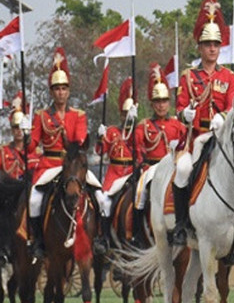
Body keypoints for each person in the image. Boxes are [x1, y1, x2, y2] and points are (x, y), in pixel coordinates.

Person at [169, 0, 234, 248]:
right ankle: (181, 224)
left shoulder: (229, 77)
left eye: (216, 44)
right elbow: (179, 107)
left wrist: (223, 116)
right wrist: (184, 114)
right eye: (207, 44)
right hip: (196, 137)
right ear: (200, 47)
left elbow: (233, 105)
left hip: (220, 137)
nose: (212, 49)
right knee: (185, 169)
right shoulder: (189, 76)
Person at [27, 48, 90, 258]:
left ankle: (100, 236)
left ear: (69, 91)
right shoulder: (41, 116)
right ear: (51, 92)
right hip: (48, 165)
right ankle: (37, 240)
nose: (60, 92)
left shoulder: (78, 115)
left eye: (64, 88)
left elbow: (79, 140)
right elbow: (33, 144)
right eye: (56, 88)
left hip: (71, 165)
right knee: (35, 200)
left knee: (99, 194)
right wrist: (29, 137)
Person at [131, 63, 186, 248]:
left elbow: (186, 145)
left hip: (173, 166)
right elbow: (138, 150)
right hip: (152, 167)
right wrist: (142, 165)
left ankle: (184, 226)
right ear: (152, 104)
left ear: (169, 103)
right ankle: (138, 231)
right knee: (140, 193)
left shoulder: (178, 126)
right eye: (157, 102)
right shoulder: (143, 126)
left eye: (164, 101)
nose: (161, 105)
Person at [93, 78, 138, 255]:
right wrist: (99, 137)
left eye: (129, 114)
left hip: (132, 172)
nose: (125, 117)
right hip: (114, 173)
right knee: (104, 202)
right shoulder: (112, 131)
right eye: (124, 114)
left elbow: (141, 152)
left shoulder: (137, 132)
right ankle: (104, 236)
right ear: (120, 115)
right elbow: (99, 151)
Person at [1, 93, 29, 179]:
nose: (19, 131)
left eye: (22, 127)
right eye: (16, 127)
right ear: (12, 129)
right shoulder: (3, 151)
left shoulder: (34, 151)